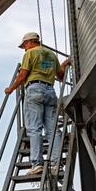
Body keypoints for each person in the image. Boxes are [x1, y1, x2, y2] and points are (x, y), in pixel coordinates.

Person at [4, 32, 71, 175]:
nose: (24, 49)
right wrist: (64, 64)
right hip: (50, 91)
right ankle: (56, 163)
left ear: (29, 42)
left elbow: (22, 76)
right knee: (53, 129)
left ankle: (37, 164)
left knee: (34, 128)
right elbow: (60, 75)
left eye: (24, 46)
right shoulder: (51, 55)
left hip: (34, 89)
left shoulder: (30, 53)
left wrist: (10, 89)